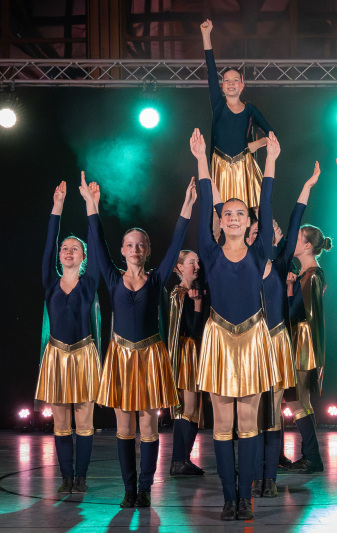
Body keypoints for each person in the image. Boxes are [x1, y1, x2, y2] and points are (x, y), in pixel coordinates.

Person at [92, 176, 198, 508]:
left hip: (151, 356)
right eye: (130, 245)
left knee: (149, 426)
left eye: (141, 245)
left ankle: (146, 488)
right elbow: (97, 244)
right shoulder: (112, 277)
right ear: (123, 250)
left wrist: (187, 205)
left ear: (147, 250)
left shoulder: (156, 279)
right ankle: (129, 489)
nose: (135, 249)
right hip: (121, 357)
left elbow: (176, 244)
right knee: (125, 426)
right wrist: (92, 207)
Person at [190, 127, 279, 521]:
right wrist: (200, 160)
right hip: (219, 339)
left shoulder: (260, 252)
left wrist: (270, 160)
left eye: (240, 213)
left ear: (249, 221)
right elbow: (205, 200)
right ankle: (229, 498)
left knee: (249, 423)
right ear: (221, 221)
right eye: (227, 213)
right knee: (223, 424)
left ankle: (246, 497)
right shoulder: (209, 252)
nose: (233, 217)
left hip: (254, 337)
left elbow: (268, 200)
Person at [247, 163, 320, 498]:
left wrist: (306, 187)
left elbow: (294, 217)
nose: (257, 236)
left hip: (277, 343)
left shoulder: (280, 264)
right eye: (253, 233)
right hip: (248, 344)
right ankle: (254, 471)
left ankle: (269, 476)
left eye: (262, 232)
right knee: (253, 411)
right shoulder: (238, 265)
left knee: (276, 410)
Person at [35, 173, 102, 494]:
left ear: (84, 257)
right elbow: (49, 244)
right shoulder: (50, 282)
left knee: (84, 422)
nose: (68, 251)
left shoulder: (89, 283)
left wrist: (92, 205)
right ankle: (66, 477)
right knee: (61, 423)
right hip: (56, 356)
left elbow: (97, 243)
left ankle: (81, 477)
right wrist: (57, 207)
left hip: (84, 354)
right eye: (65, 248)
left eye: (75, 248)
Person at [200, 19, 274, 209]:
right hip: (220, 166)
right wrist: (206, 35)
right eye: (226, 80)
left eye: (235, 80)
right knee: (218, 213)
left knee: (251, 212)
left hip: (244, 167)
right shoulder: (218, 105)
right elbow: (211, 70)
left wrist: (256, 144)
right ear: (222, 86)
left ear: (242, 85)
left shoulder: (250, 110)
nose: (231, 83)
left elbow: (272, 135)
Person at [284, 219, 331, 473]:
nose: (293, 241)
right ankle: (310, 456)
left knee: (295, 400)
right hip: (300, 340)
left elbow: (297, 313)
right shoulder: (308, 274)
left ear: (308, 246)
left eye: (298, 238)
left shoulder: (311, 275)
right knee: (301, 400)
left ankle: (312, 456)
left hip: (302, 343)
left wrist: (289, 288)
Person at [167, 250, 207, 477]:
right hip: (186, 355)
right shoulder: (180, 295)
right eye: (192, 262)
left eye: (197, 262)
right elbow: (192, 329)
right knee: (187, 410)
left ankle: (182, 459)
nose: (197, 266)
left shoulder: (190, 292)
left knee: (192, 410)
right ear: (180, 267)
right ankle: (178, 460)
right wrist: (198, 304)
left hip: (192, 354)